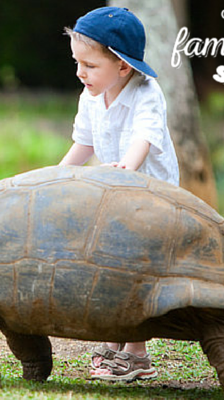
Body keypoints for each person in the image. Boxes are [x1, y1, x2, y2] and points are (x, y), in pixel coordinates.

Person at [57, 7, 179, 381]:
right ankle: (114, 341)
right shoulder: (91, 95)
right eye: (77, 62)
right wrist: (55, 178)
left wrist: (125, 167)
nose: (81, 73)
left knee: (133, 272)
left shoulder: (146, 92)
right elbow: (83, 145)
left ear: (123, 67)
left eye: (90, 65)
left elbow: (144, 138)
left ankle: (137, 353)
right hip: (116, 195)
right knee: (108, 268)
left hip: (151, 200)